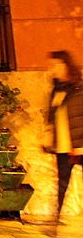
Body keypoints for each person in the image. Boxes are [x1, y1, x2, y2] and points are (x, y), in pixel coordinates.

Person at [46, 50, 83, 218]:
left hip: (79, 146)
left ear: (65, 65)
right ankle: (57, 218)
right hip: (62, 146)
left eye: (55, 65)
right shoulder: (57, 89)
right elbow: (52, 117)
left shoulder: (78, 88)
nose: (52, 69)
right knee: (62, 183)